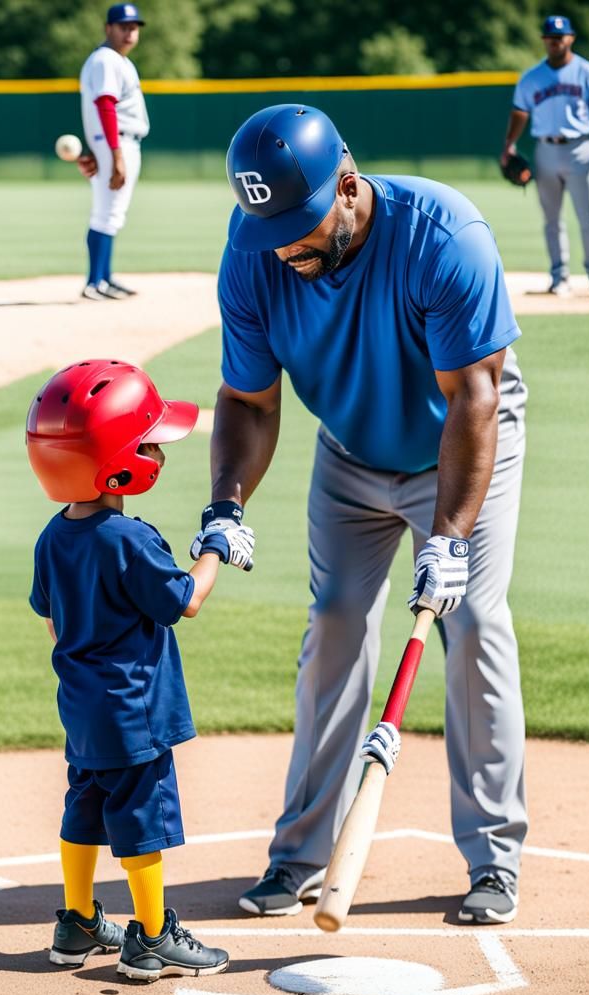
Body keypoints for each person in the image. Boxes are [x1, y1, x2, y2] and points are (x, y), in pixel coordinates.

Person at [198, 104, 529, 926]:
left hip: (459, 444)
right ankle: (300, 856)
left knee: (475, 623)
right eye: (270, 229)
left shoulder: (443, 235)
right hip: (348, 454)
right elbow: (248, 399)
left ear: (348, 186)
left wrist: (450, 540)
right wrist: (224, 506)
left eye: (301, 227)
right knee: (336, 623)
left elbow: (474, 397)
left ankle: (494, 861)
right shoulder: (253, 255)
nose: (285, 249)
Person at [26, 359, 255, 980]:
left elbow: (52, 618)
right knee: (142, 815)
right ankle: (151, 936)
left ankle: (75, 922)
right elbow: (187, 600)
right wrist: (216, 545)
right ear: (118, 459)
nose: (157, 450)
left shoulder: (52, 537)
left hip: (81, 707)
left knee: (85, 804)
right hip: (134, 709)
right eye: (148, 442)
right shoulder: (130, 538)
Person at [502, 15, 589, 297]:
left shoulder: (588, 72)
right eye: (551, 37)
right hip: (546, 150)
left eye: (561, 36)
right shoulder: (531, 77)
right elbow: (520, 112)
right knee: (551, 219)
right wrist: (509, 146)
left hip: (580, 148)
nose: (556, 41)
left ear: (571, 38)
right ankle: (559, 277)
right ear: (544, 40)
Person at [77, 4, 149, 301]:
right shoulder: (106, 59)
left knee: (111, 214)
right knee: (107, 214)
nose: (130, 31)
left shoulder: (116, 60)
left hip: (113, 142)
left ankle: (104, 277)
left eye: (134, 27)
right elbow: (105, 106)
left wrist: (96, 149)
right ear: (108, 28)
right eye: (124, 26)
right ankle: (95, 282)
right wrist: (114, 154)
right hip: (117, 142)